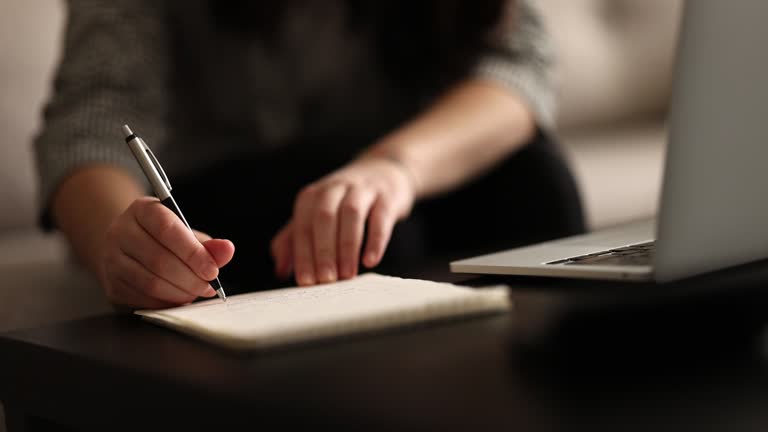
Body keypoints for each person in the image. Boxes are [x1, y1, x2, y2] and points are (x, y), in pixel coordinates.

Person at [34, 0, 585, 309]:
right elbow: (91, 128)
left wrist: (393, 168)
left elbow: (518, 66)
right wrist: (119, 241)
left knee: (534, 180)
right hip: (215, 221)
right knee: (379, 239)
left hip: (406, 180)